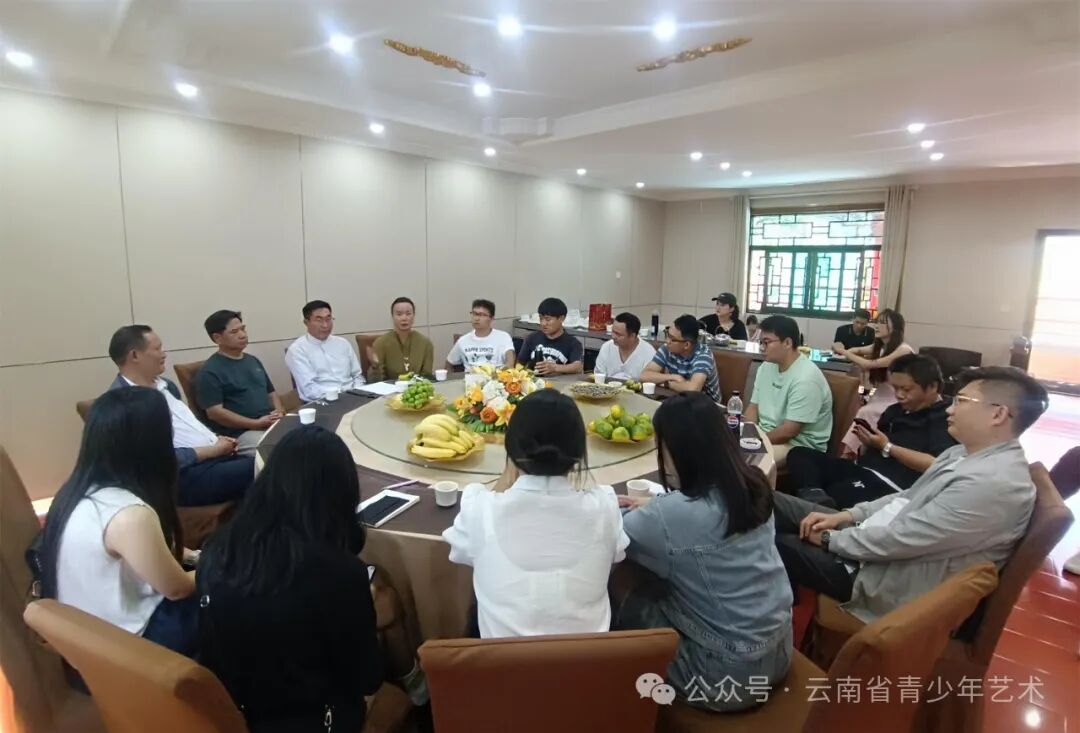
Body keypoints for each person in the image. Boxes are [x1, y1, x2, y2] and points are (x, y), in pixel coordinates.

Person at [773, 366, 1048, 622]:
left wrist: (829, 539)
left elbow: (900, 541)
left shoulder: (991, 484)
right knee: (765, 500)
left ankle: (773, 624)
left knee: (770, 538)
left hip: (882, 577)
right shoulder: (962, 453)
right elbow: (905, 498)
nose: (950, 409)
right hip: (874, 538)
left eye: (962, 401)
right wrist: (846, 516)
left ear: (998, 414)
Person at [612, 394, 792, 712]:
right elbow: (696, 519)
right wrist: (657, 505)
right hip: (779, 649)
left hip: (723, 676)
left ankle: (618, 705)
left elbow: (612, 535)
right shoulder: (752, 485)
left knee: (624, 592)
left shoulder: (671, 516)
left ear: (677, 451)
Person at [197, 426, 383, 732]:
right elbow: (368, 679)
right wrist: (365, 608)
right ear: (341, 493)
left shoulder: (217, 550)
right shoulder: (340, 571)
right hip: (318, 719)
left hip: (238, 714)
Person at [442, 390, 628, 637]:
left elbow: (460, 552)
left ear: (511, 447)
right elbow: (617, 553)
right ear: (579, 452)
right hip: (591, 659)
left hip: (502, 660)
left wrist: (509, 473)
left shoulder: (479, 508)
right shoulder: (604, 506)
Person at [40, 388, 198, 656]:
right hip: (134, 641)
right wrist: (218, 567)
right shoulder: (130, 514)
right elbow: (178, 588)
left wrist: (193, 556)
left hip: (91, 634)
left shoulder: (74, 493)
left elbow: (141, 552)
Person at [108, 325, 253, 506]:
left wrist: (215, 439)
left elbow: (188, 425)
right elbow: (155, 461)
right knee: (267, 468)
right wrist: (213, 450)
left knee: (272, 461)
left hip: (216, 459)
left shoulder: (166, 385)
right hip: (182, 476)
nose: (164, 354)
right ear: (135, 355)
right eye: (157, 349)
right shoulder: (123, 404)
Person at [788, 354, 956, 509]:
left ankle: (815, 505)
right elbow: (869, 451)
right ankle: (815, 498)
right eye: (895, 388)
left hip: (892, 485)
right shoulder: (894, 411)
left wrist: (887, 447)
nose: (899, 395)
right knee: (799, 454)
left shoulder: (946, 418)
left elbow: (935, 464)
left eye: (906, 389)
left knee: (839, 491)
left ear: (933, 387)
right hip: (864, 469)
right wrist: (868, 442)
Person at [744, 316, 832, 465]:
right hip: (766, 436)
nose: (762, 348)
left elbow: (789, 431)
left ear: (787, 343)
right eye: (761, 342)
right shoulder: (766, 366)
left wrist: (755, 442)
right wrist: (747, 435)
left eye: (767, 342)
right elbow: (753, 407)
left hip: (798, 446)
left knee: (745, 461)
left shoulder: (806, 378)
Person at [195, 310, 283, 456]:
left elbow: (271, 393)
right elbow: (215, 413)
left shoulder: (252, 360)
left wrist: (279, 412)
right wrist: (256, 424)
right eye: (234, 332)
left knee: (308, 438)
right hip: (241, 433)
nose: (243, 335)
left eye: (243, 329)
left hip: (269, 423)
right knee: (278, 451)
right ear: (217, 338)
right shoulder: (209, 371)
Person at [837, 309, 916, 456]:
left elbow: (869, 364)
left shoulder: (903, 350)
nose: (877, 326)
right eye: (877, 322)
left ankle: (852, 454)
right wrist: (843, 349)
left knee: (864, 412)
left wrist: (844, 352)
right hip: (880, 397)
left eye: (883, 323)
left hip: (898, 399)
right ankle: (854, 453)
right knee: (859, 410)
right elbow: (857, 350)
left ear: (895, 327)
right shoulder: (880, 347)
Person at [285, 300, 365, 402]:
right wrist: (342, 395)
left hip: (355, 396)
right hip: (322, 402)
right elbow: (310, 389)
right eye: (319, 320)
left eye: (328, 319)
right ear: (306, 322)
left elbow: (357, 376)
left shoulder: (343, 343)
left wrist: (358, 393)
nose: (325, 325)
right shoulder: (297, 350)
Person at [641, 315, 721, 402]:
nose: (667, 341)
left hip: (707, 404)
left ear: (686, 345)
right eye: (667, 334)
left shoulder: (703, 355)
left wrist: (667, 384)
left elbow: (693, 390)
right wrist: (673, 377)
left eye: (672, 339)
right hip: (680, 398)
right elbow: (644, 375)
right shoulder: (667, 348)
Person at [368, 297, 435, 381]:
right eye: (399, 314)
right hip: (390, 388)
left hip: (417, 387)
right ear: (392, 317)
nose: (404, 318)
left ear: (413, 316)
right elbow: (374, 382)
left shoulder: (426, 343)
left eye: (408, 314)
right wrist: (375, 366)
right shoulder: (380, 343)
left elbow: (427, 377)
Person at [516, 297, 584, 375]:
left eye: (548, 319)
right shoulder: (531, 338)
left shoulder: (573, 343)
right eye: (541, 318)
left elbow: (578, 367)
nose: (543, 323)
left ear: (561, 318)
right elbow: (519, 364)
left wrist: (555, 368)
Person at [445, 299, 515, 370]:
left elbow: (510, 363)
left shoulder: (503, 337)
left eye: (482, 315)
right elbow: (449, 363)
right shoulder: (463, 341)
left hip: (496, 375)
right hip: (470, 376)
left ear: (491, 318)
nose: (476, 318)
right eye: (474, 314)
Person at [593, 312, 656, 381]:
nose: (613, 336)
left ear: (632, 336)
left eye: (618, 334)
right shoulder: (607, 347)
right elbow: (598, 376)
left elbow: (649, 381)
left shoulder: (648, 352)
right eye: (613, 331)